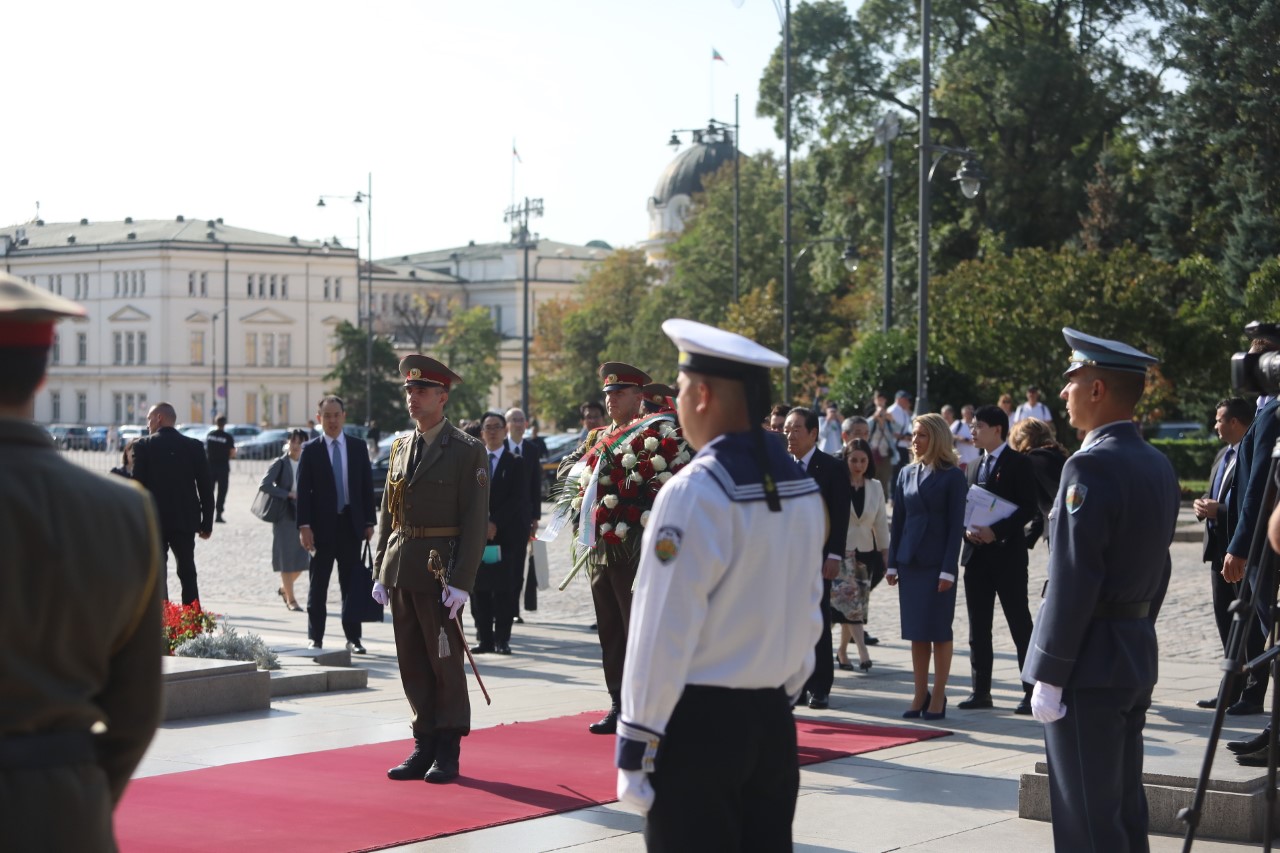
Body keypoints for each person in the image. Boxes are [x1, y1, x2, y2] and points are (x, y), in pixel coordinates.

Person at [614, 318, 824, 849]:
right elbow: (808, 610)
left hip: (699, 728)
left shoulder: (695, 491)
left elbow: (661, 627)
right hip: (772, 719)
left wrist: (637, 742)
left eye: (681, 390)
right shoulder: (802, 487)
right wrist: (777, 690)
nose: (676, 403)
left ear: (703, 393)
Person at [0, 271, 163, 851]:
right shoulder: (122, 511)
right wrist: (70, 788)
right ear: (43, 374)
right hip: (64, 811)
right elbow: (137, 709)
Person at [1022, 328, 1179, 852]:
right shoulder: (1157, 465)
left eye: (1073, 381)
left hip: (1087, 667)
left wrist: (1049, 669)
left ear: (1096, 390)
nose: (1062, 392)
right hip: (1132, 653)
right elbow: (1162, 569)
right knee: (1123, 812)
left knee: (1086, 820)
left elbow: (1073, 576)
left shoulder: (1087, 465)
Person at [374, 355, 489, 784]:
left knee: (444, 661)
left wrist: (462, 582)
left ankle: (448, 748)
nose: (412, 398)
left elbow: (476, 521)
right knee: (413, 662)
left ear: (443, 397)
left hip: (441, 575)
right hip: (403, 567)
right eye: (408, 391)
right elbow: (390, 512)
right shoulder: (401, 447)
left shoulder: (466, 450)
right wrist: (379, 570)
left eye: (421, 391)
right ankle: (422, 742)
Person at [556, 362, 658, 734]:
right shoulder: (597, 435)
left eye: (619, 394)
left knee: (636, 628)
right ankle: (617, 701)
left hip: (633, 548)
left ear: (638, 397)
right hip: (599, 547)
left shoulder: (653, 433)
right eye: (608, 394)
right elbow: (570, 469)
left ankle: (642, 704)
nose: (612, 400)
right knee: (610, 630)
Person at [958, 405, 1038, 714]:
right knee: (978, 627)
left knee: (1020, 624)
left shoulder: (1020, 463)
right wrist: (968, 532)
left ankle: (1032, 692)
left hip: (1007, 557)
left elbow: (1028, 507)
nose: (972, 432)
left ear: (997, 430)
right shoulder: (973, 465)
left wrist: (997, 532)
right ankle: (981, 691)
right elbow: (967, 508)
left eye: (977, 426)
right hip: (976, 557)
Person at [887, 412, 966, 720]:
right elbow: (899, 523)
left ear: (937, 438)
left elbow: (954, 526)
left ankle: (939, 695)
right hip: (910, 564)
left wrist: (949, 569)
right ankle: (920, 693)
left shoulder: (953, 476)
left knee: (938, 631)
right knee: (917, 632)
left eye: (921, 435)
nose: (915, 441)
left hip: (937, 566)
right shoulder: (906, 473)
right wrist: (892, 563)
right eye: (913, 435)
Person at [1192, 397, 1260, 712]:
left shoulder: (1253, 449)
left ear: (1234, 422)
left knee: (1248, 626)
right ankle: (1230, 689)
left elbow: (1250, 501)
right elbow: (1217, 491)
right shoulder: (1222, 455)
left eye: (1219, 419)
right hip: (1218, 552)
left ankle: (1253, 693)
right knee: (1225, 622)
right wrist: (1203, 505)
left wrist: (1217, 509)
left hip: (1242, 552)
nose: (1215, 425)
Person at [296, 395, 375, 653]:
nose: (332, 420)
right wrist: (304, 526)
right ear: (319, 419)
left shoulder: (357, 447)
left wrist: (369, 521)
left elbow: (365, 487)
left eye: (336, 415)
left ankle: (354, 638)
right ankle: (315, 637)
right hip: (321, 529)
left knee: (351, 584)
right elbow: (303, 491)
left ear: (343, 416)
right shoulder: (311, 450)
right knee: (318, 585)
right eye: (326, 416)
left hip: (351, 526)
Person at [783, 406, 851, 710]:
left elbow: (839, 516)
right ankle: (795, 684)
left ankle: (820, 686)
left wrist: (834, 554)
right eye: (787, 428)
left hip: (819, 557)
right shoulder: (782, 466)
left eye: (797, 429)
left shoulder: (832, 467)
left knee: (818, 620)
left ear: (814, 433)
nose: (790, 434)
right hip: (785, 559)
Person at [132, 401, 214, 605]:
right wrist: (207, 524)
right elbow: (205, 487)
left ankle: (164, 623)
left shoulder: (143, 446)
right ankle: (192, 623)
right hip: (185, 519)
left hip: (154, 520)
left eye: (149, 418)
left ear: (159, 418)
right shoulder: (194, 446)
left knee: (158, 574)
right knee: (187, 571)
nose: (148, 423)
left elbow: (136, 487)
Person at [472, 411, 532, 655]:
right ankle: (484, 638)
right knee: (479, 589)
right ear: (482, 433)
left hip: (507, 536)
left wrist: (494, 522)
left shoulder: (515, 461)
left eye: (497, 426)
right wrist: (482, 523)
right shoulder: (474, 462)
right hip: (478, 535)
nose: (493, 431)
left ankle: (502, 639)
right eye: (488, 427)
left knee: (505, 589)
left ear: (505, 430)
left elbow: (518, 499)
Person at [836, 438, 888, 672]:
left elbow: (880, 524)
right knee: (851, 603)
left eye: (863, 460)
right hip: (841, 551)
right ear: (846, 460)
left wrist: (887, 554)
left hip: (866, 552)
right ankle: (863, 653)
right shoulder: (837, 483)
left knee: (853, 604)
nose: (858, 465)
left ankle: (842, 651)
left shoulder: (875, 486)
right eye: (854, 460)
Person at [260, 428, 310, 611]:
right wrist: (287, 493)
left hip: (304, 513)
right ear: (288, 442)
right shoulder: (280, 463)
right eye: (294, 441)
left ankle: (284, 589)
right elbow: (264, 485)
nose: (297, 446)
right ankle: (291, 599)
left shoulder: (307, 461)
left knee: (306, 558)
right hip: (285, 514)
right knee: (286, 557)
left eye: (301, 442)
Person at [503, 406, 544, 619]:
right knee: (502, 564)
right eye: (514, 419)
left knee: (519, 563)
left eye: (521, 420)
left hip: (523, 517)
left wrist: (536, 516)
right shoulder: (499, 447)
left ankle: (514, 609)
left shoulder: (531, 449)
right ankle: (499, 606)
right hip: (500, 518)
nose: (518, 423)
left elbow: (535, 485)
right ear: (507, 424)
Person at [1007, 417, 1068, 550]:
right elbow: (1042, 505)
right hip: (1067, 529)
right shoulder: (1056, 455)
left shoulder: (1034, 460)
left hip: (1062, 531)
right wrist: (1028, 538)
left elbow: (1056, 498)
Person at [867, 391, 898, 502]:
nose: (881, 401)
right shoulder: (871, 415)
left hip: (886, 454)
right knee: (871, 481)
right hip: (872, 453)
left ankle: (882, 508)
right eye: (878, 399)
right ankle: (871, 506)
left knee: (885, 482)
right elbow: (866, 429)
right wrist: (875, 418)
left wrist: (891, 420)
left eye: (883, 399)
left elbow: (897, 431)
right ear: (874, 401)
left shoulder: (888, 416)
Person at [204, 415, 236, 523]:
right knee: (222, 491)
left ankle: (206, 514)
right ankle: (218, 515)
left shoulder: (210, 435)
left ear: (216, 422)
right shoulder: (227, 437)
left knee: (209, 492)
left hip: (210, 467)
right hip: (223, 467)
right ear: (224, 423)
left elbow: (207, 450)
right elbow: (232, 452)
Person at [943, 404, 979, 471]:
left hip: (975, 460)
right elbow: (948, 434)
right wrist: (960, 438)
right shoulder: (958, 423)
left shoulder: (977, 425)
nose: (969, 414)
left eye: (971, 412)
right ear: (963, 414)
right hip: (961, 460)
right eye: (967, 413)